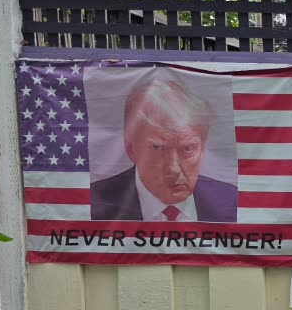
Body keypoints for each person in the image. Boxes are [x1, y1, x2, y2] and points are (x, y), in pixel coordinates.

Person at [90, 77, 238, 223]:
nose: (173, 169)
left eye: (187, 149)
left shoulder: (233, 201)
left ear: (203, 148)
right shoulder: (94, 202)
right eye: (157, 148)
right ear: (131, 148)